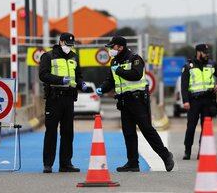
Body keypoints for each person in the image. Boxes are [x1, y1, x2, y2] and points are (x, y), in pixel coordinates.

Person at [96, 36, 174, 172]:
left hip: (137, 100)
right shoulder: (114, 62)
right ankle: (133, 163)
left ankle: (166, 156)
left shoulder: (135, 58)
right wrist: (102, 88)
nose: (110, 50)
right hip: (123, 101)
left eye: (112, 47)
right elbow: (111, 80)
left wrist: (119, 70)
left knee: (147, 130)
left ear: (120, 47)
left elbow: (136, 75)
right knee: (129, 133)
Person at [39, 32, 87, 173]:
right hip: (54, 98)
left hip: (69, 98)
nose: (69, 47)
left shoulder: (74, 57)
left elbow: (78, 76)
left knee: (67, 132)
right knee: (51, 131)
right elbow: (43, 75)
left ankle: (65, 164)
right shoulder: (48, 56)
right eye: (67, 44)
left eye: (71, 45)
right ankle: (48, 164)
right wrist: (60, 80)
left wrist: (81, 84)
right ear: (60, 42)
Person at [181, 43, 217, 160]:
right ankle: (187, 151)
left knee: (206, 127)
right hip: (194, 101)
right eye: (205, 53)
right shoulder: (188, 66)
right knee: (191, 127)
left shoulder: (211, 64)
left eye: (208, 53)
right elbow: (184, 86)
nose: (207, 55)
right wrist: (185, 101)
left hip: (208, 100)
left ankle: (202, 151)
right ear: (198, 52)